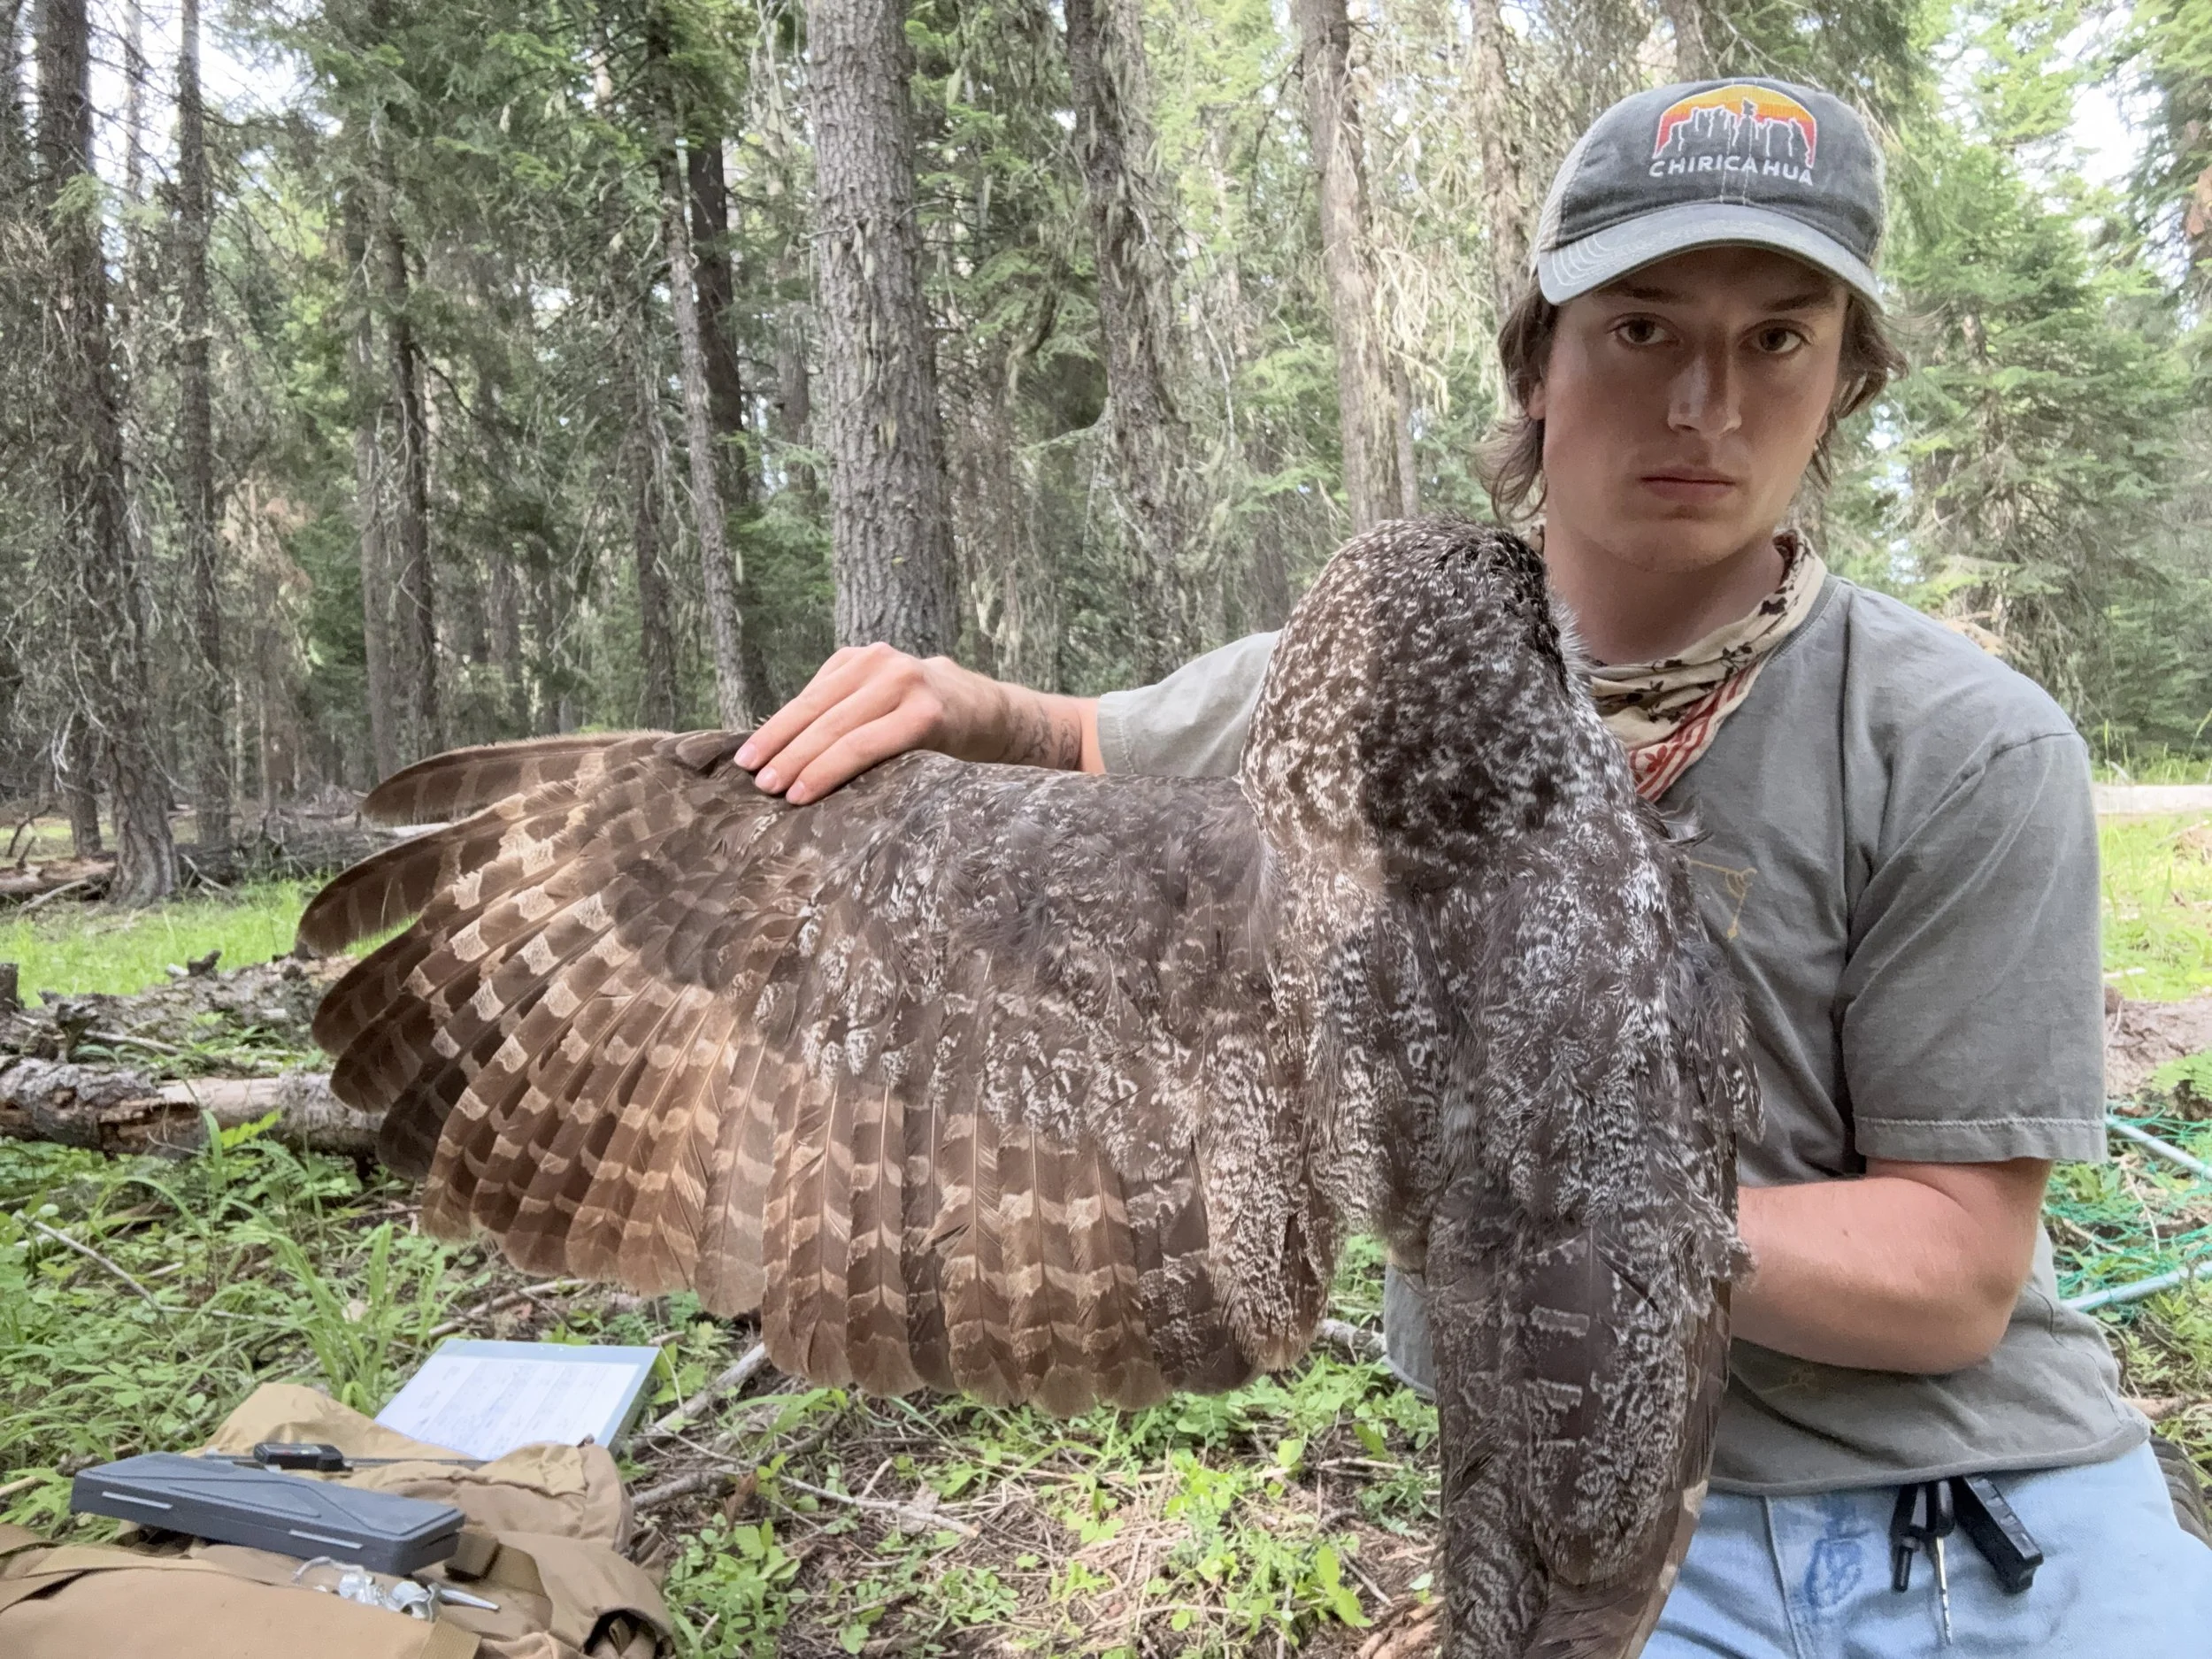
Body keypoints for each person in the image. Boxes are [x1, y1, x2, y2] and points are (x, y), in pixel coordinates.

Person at [733, 76, 2212, 1655]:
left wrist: (1526, 1192)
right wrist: (963, 707)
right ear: (1537, 361)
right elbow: (1104, 738)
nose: (1709, 402)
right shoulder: (1379, 677)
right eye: (1643, 329)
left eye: (1780, 337)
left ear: (1844, 381)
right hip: (1575, 1524)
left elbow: (1951, 1273)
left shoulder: (1957, 740)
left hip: (1971, 1508)